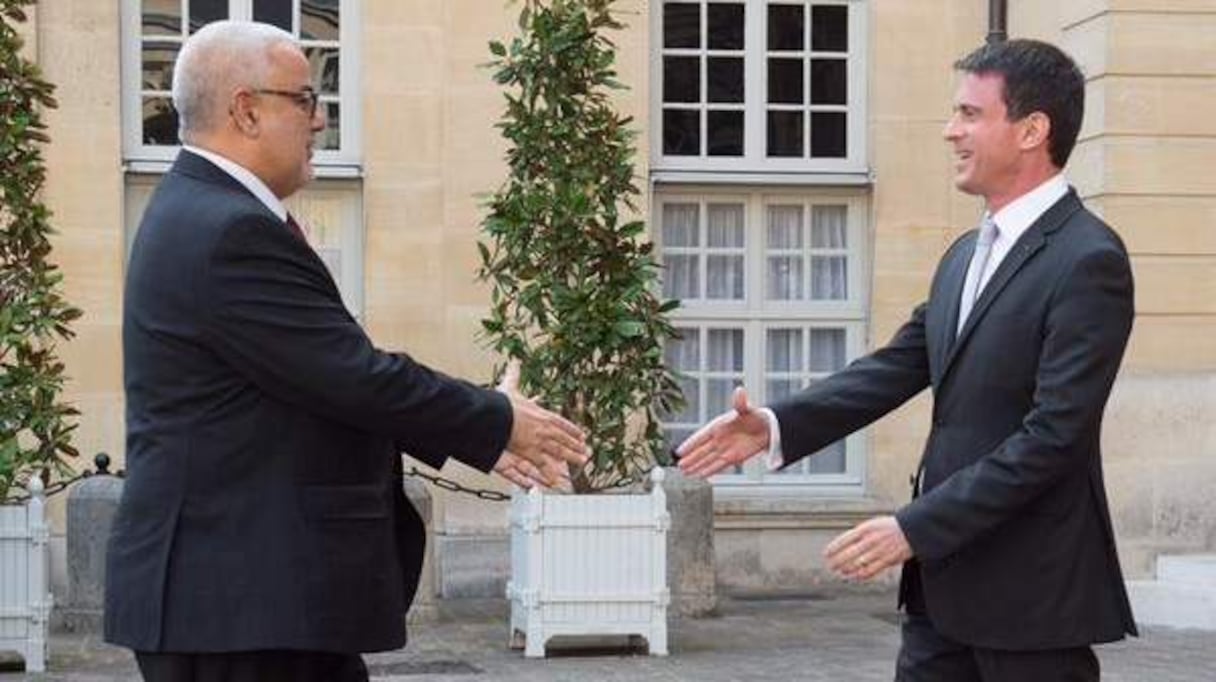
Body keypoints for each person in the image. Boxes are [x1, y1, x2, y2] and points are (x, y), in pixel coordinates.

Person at [105, 20, 587, 682]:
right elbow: (353, 377)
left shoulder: (204, 210)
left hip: (246, 598)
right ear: (246, 110)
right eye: (305, 98)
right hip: (238, 604)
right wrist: (496, 419)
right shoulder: (228, 230)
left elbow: (324, 377)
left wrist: (481, 422)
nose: (321, 120)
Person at [677, 39, 1137, 681]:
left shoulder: (1089, 260)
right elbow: (894, 368)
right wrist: (776, 426)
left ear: (1033, 130)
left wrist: (915, 526)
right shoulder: (963, 255)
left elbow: (1053, 438)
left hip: (1032, 602)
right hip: (940, 595)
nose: (951, 131)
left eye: (971, 114)